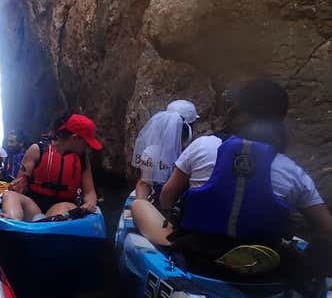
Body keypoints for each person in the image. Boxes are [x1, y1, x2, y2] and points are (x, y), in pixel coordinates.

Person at [131, 79, 332, 253]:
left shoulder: (203, 145)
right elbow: (326, 228)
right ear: (280, 121)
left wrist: (172, 216)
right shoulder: (293, 171)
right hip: (260, 264)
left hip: (196, 253)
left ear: (238, 112)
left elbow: (167, 196)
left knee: (139, 205)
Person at [2, 114, 102, 221]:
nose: (88, 147)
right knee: (10, 195)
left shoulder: (82, 158)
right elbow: (19, 183)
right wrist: (18, 186)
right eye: (86, 143)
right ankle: (14, 222)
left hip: (61, 207)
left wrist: (90, 203)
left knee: (63, 207)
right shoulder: (37, 150)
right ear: (75, 138)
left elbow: (89, 192)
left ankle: (45, 227)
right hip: (33, 207)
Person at [132, 99, 199, 201]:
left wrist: (141, 205)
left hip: (158, 204)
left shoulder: (150, 153)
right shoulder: (195, 151)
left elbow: (144, 183)